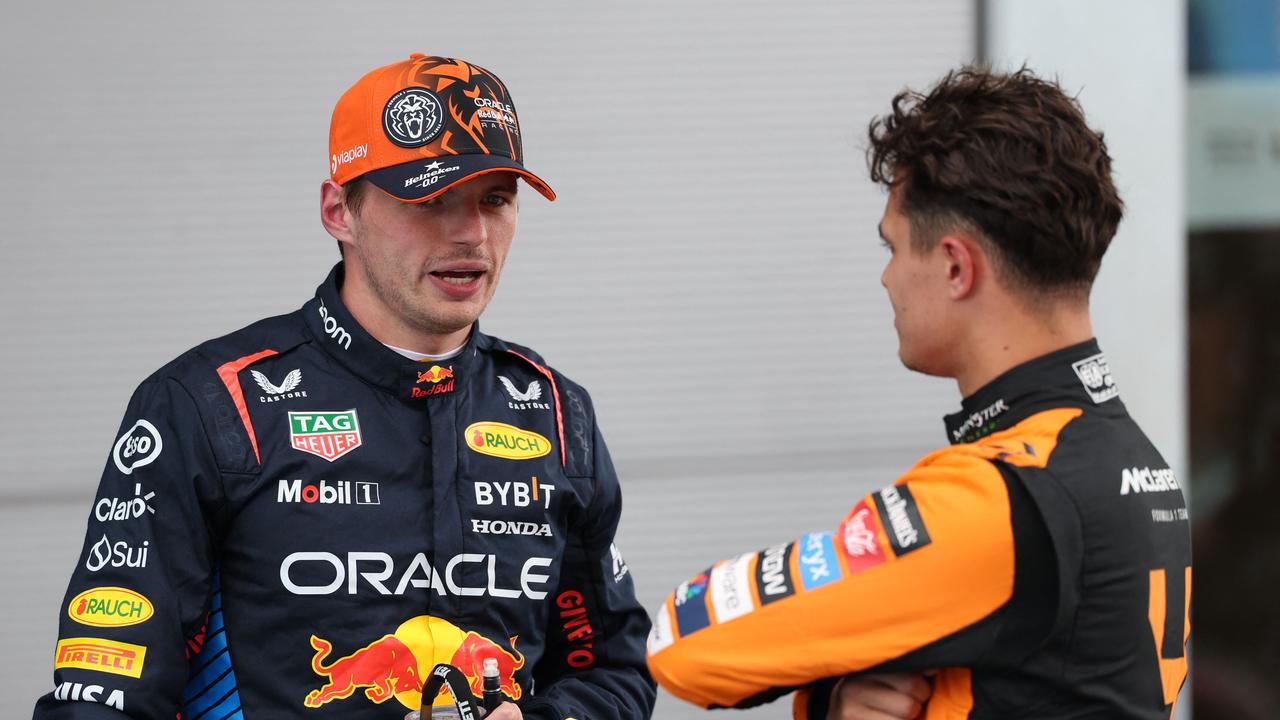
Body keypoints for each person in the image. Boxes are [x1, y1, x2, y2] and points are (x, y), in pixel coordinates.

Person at [34, 53, 655, 720]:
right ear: (339, 210)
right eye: (433, 198)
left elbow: (615, 669)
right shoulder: (211, 406)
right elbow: (104, 698)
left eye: (495, 199)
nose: (472, 232)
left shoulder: (555, 414)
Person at [645, 66, 1192, 718]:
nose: (887, 277)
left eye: (894, 246)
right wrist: (837, 698)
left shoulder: (999, 498)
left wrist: (822, 691)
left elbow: (685, 640)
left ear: (956, 266)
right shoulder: (1134, 462)